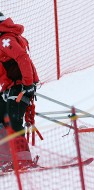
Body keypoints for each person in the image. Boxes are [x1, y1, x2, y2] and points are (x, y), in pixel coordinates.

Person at [0, 12, 39, 169]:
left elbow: (22, 57)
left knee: (14, 119)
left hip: (21, 86)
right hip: (9, 87)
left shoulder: (5, 39)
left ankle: (23, 159)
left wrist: (28, 84)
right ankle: (5, 157)